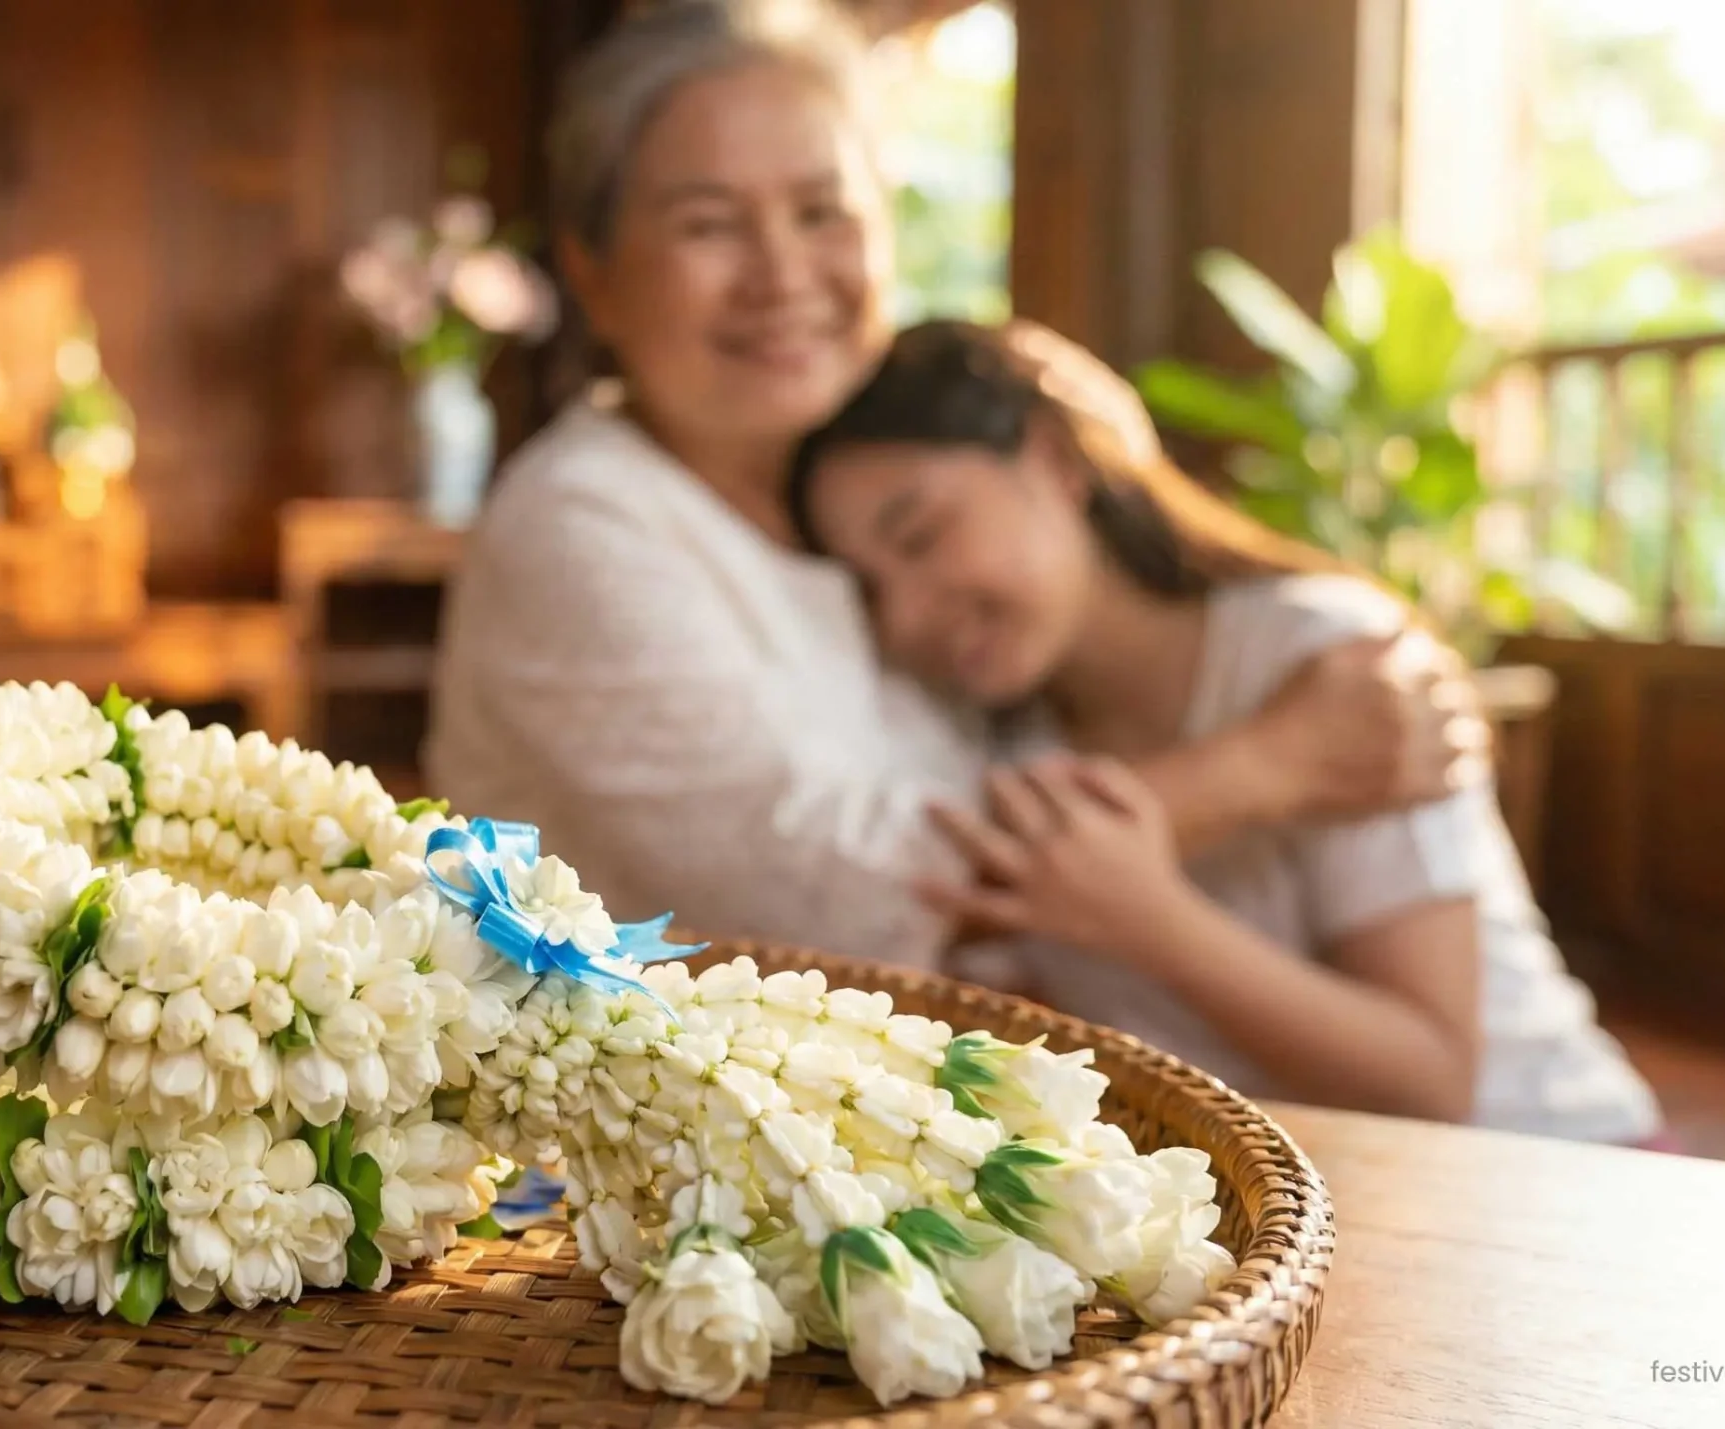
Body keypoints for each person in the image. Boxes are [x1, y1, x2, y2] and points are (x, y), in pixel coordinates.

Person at [427, 0, 1473, 980]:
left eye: (823, 211)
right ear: (593, 272)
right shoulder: (577, 521)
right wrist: (1270, 763)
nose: (782, 274)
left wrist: (1357, 661)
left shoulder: (863, 488)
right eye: (709, 224)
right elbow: (829, 898)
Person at [784, 319, 1662, 1143]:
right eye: (867, 589)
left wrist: (1152, 922)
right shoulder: (982, 736)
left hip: (1556, 1164)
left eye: (922, 535)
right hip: (1293, 1197)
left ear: (1055, 460)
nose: (904, 617)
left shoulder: (1326, 658)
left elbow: (1430, 1081)